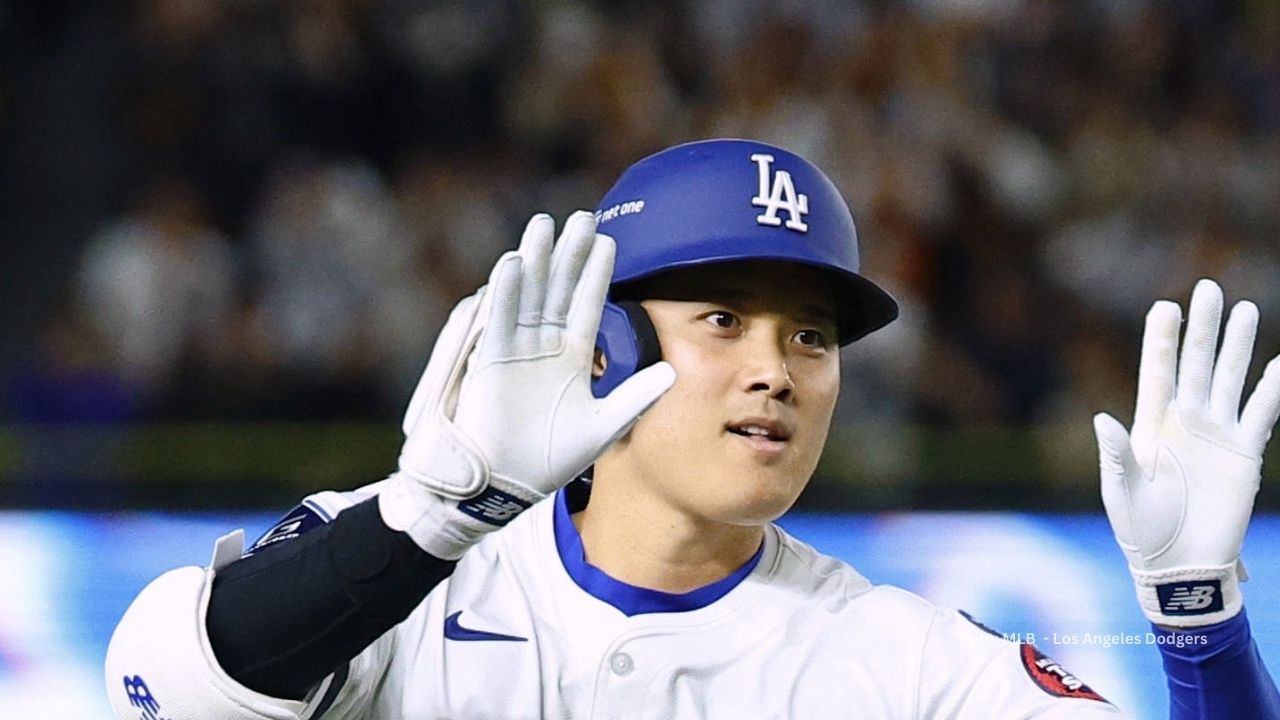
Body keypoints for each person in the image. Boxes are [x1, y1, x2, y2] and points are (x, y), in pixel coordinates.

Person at [105, 139, 1280, 718]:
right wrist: (425, 519)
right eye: (721, 319)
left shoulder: (905, 664)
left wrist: (1197, 620)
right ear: (601, 349)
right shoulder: (409, 568)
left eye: (811, 338)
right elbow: (165, 690)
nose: (775, 370)